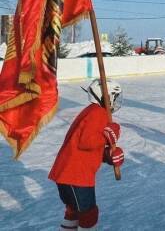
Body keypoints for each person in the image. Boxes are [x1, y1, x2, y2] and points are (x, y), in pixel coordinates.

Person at [49, 79, 125, 231]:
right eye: (114, 96)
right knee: (88, 215)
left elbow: (87, 146)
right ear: (106, 96)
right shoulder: (98, 113)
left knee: (75, 212)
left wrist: (109, 155)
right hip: (76, 176)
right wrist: (110, 134)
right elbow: (87, 142)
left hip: (70, 174)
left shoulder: (92, 111)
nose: (116, 101)